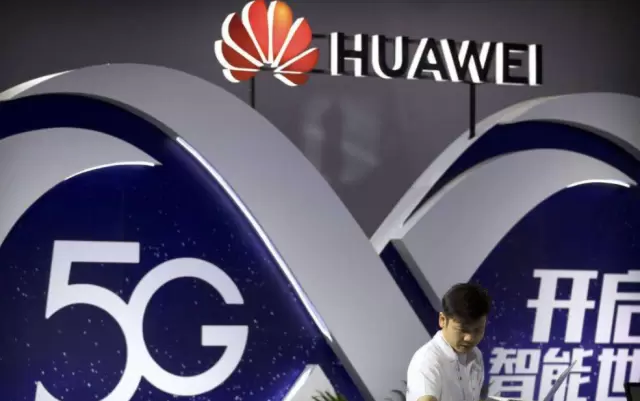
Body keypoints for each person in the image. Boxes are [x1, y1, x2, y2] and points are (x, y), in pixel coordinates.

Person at [406, 283, 491, 401]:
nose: (470, 338)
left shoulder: (476, 355)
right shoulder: (426, 360)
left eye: (478, 329)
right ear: (442, 320)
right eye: (463, 329)